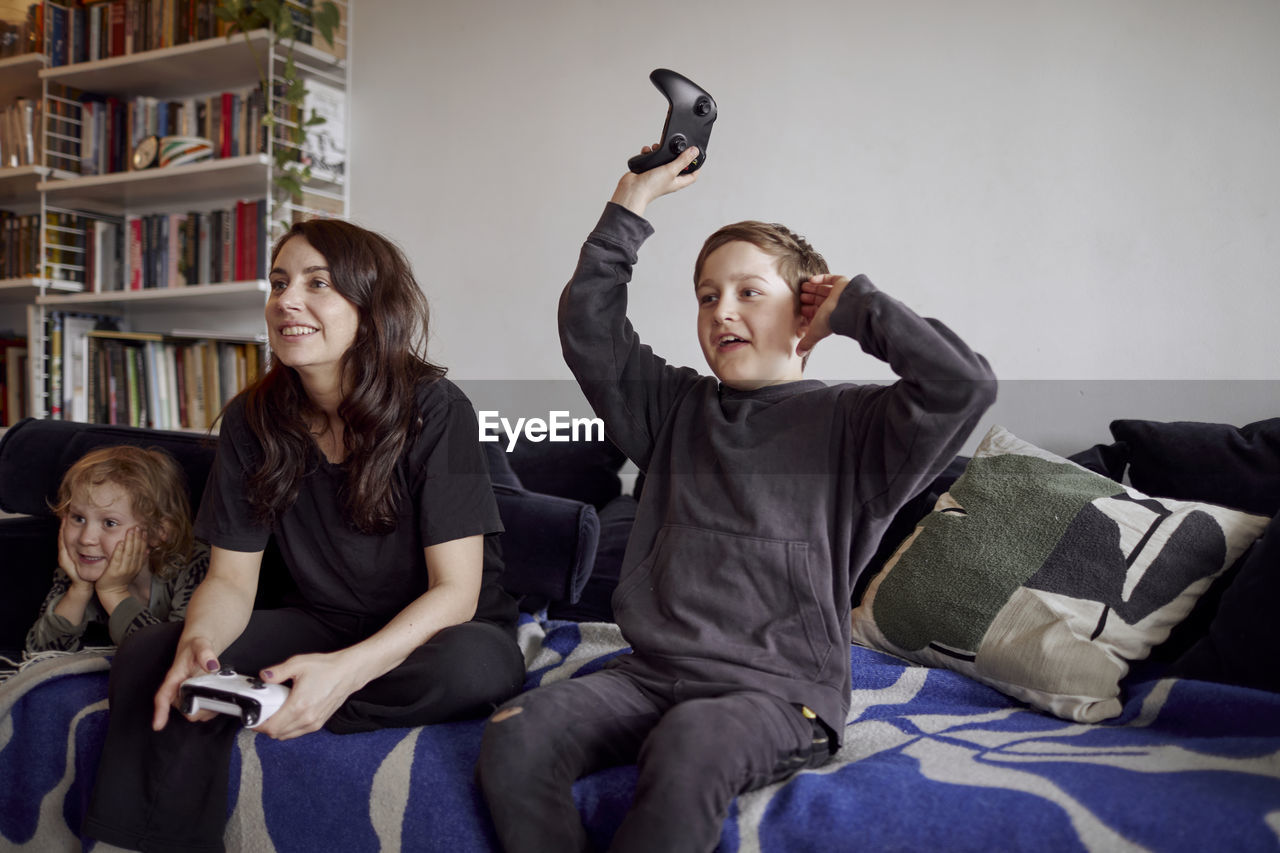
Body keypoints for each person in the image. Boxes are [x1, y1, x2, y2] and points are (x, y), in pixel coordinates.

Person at [476, 145, 998, 853]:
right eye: (707, 295)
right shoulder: (675, 411)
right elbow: (590, 330)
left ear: (807, 307)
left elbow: (962, 385)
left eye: (750, 291)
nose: (723, 309)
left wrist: (858, 308)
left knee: (690, 741)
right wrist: (630, 204)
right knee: (517, 735)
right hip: (650, 675)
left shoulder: (858, 429)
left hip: (778, 694)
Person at [83, 218, 526, 851]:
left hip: (435, 630)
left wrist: (345, 673)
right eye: (279, 282)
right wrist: (202, 645)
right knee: (155, 656)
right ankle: (143, 840)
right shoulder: (251, 420)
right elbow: (231, 578)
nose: (286, 300)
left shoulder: (438, 409)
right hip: (321, 619)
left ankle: (289, 696)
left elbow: (456, 592)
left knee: (477, 666)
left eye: (318, 284)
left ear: (369, 310)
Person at [25, 445, 210, 654]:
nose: (86, 539)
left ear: (158, 532)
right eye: (78, 518)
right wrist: (79, 590)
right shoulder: (82, 565)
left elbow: (168, 657)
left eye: (110, 523)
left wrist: (113, 592)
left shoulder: (194, 565)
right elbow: (39, 652)